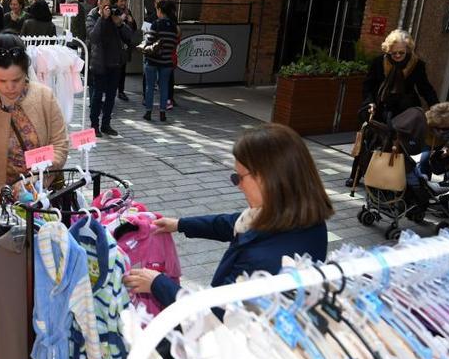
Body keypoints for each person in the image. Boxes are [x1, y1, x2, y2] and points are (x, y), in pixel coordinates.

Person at [123, 124, 334, 311]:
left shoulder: (261, 261)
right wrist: (179, 224)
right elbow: (232, 223)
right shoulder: (305, 219)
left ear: (266, 179)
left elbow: (212, 312)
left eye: (239, 177)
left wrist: (158, 283)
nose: (238, 185)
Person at [0, 33, 69, 216]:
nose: (10, 87)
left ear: (26, 71)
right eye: (2, 81)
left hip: (44, 200)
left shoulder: (44, 97)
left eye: (16, 80)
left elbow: (60, 145)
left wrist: (35, 181)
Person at [347, 29, 439, 186]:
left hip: (404, 109)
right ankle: (356, 174)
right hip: (380, 106)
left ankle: (388, 177)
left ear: (408, 50)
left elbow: (425, 88)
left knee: (398, 144)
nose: (396, 56)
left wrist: (436, 107)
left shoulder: (416, 65)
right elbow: (368, 85)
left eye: (401, 53)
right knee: (368, 138)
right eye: (393, 53)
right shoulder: (379, 62)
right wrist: (369, 102)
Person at [86, 0, 133, 137]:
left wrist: (119, 23)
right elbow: (93, 36)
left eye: (109, 4)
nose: (108, 7)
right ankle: (94, 125)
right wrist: (102, 18)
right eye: (105, 4)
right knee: (97, 96)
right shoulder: (92, 17)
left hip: (115, 63)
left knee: (111, 96)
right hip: (100, 63)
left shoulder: (115, 16)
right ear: (99, 4)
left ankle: (106, 124)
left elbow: (129, 36)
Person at [142, 0, 178, 122]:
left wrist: (146, 40)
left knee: (150, 87)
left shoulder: (156, 24)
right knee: (164, 87)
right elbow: (174, 43)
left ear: (160, 10)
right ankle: (163, 113)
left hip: (152, 60)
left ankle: (148, 112)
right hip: (167, 61)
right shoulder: (173, 27)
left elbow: (149, 41)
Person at [114, 0, 137, 102]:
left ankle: (121, 91)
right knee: (115, 69)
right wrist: (121, 19)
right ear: (117, 2)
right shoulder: (114, 11)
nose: (123, 3)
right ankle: (113, 90)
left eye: (125, 1)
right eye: (121, 1)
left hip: (126, 45)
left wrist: (131, 21)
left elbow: (134, 27)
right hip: (116, 45)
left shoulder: (128, 12)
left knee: (123, 70)